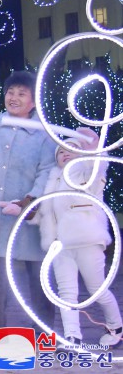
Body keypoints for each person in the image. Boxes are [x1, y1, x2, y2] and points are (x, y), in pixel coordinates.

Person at [0, 71, 55, 332]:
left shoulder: (45, 134)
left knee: (39, 275)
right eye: (10, 92)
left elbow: (48, 170)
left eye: (21, 93)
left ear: (33, 101)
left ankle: (44, 331)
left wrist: (30, 202)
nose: (14, 98)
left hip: (31, 217)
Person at [29, 128, 122, 348]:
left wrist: (92, 150)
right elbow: (44, 213)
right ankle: (72, 336)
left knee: (97, 289)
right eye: (60, 151)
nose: (65, 153)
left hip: (87, 241)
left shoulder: (85, 174)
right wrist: (22, 211)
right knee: (66, 293)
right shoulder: (53, 182)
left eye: (71, 149)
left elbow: (97, 166)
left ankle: (116, 327)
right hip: (60, 246)